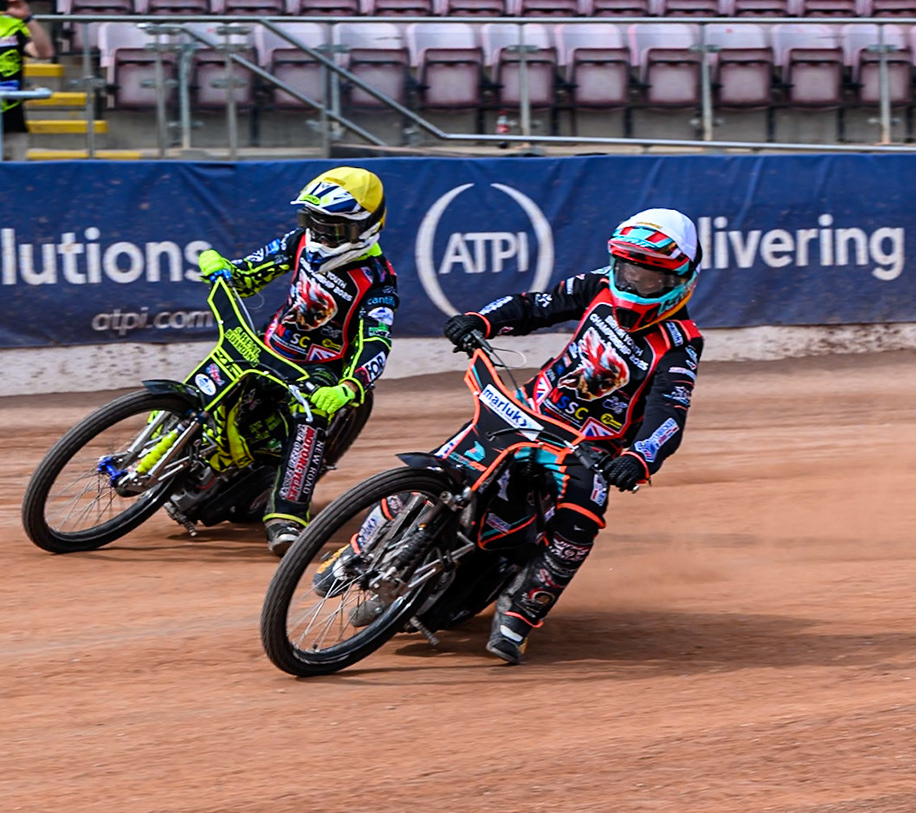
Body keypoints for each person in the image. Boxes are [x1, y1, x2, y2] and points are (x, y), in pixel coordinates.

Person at [439, 208, 704, 665]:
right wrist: (481, 321)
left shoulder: (681, 342)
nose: (634, 283)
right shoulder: (597, 284)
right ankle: (360, 547)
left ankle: (520, 613)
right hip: (526, 410)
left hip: (587, 450)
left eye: (649, 278)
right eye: (628, 270)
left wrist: (639, 458)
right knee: (446, 462)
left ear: (680, 281)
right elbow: (534, 306)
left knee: (582, 517)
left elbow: (670, 413)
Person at [196, 166, 395, 555]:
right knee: (213, 380)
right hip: (269, 345)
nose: (320, 236)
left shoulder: (379, 281)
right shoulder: (299, 241)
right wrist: (222, 269)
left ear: (365, 228)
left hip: (319, 372)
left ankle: (286, 517)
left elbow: (376, 342)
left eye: (333, 229)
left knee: (310, 417)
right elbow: (247, 274)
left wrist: (349, 386)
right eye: (313, 223)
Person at [1, 0, 54, 162]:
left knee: (16, 174)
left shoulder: (13, 26)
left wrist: (28, 19)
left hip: (11, 121)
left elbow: (44, 53)